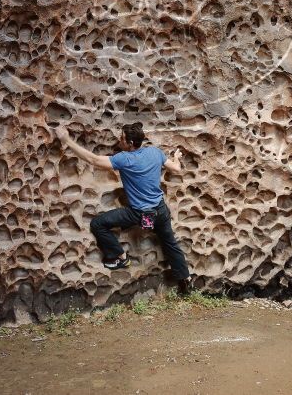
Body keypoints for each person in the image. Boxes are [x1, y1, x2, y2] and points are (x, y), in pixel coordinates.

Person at [54, 122, 192, 294]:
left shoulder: (124, 159)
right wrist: (176, 157)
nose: (119, 140)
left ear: (130, 143)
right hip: (160, 211)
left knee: (98, 223)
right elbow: (176, 169)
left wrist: (67, 140)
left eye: (122, 138)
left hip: (139, 214)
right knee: (170, 243)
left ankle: (120, 257)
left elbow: (93, 159)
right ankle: (185, 279)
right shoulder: (154, 152)